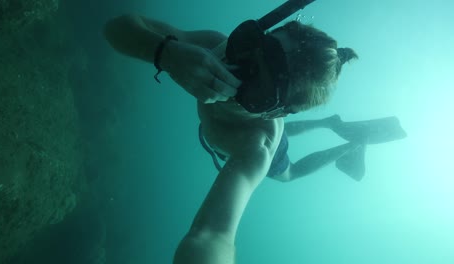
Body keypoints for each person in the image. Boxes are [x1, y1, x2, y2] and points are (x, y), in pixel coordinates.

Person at [103, 3, 402, 262]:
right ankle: (326, 123)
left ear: (277, 111)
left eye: (258, 89)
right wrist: (165, 52)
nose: (234, 71)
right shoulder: (214, 48)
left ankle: (351, 144)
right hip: (259, 123)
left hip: (265, 135)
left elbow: (212, 236)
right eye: (246, 49)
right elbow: (116, 27)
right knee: (278, 138)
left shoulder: (256, 147)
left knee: (291, 171)